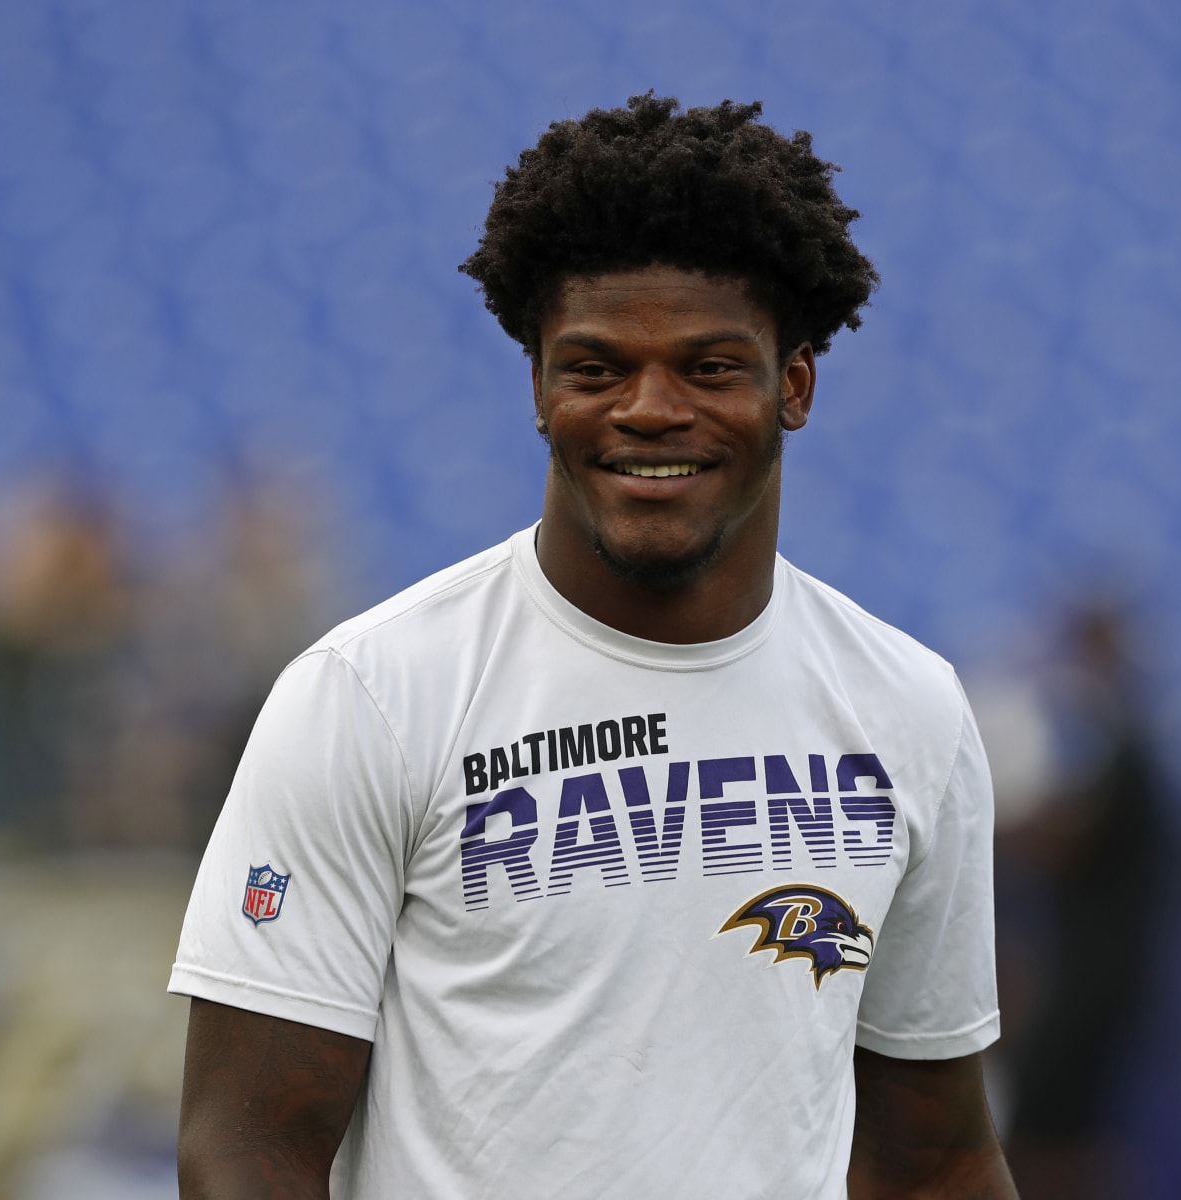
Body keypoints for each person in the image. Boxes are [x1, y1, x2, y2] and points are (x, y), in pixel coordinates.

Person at [170, 94, 1016, 1199]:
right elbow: (247, 1147)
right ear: (538, 388)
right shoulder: (372, 697)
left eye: (710, 367)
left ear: (792, 386)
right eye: (597, 367)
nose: (650, 409)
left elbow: (937, 1160)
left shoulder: (909, 709)